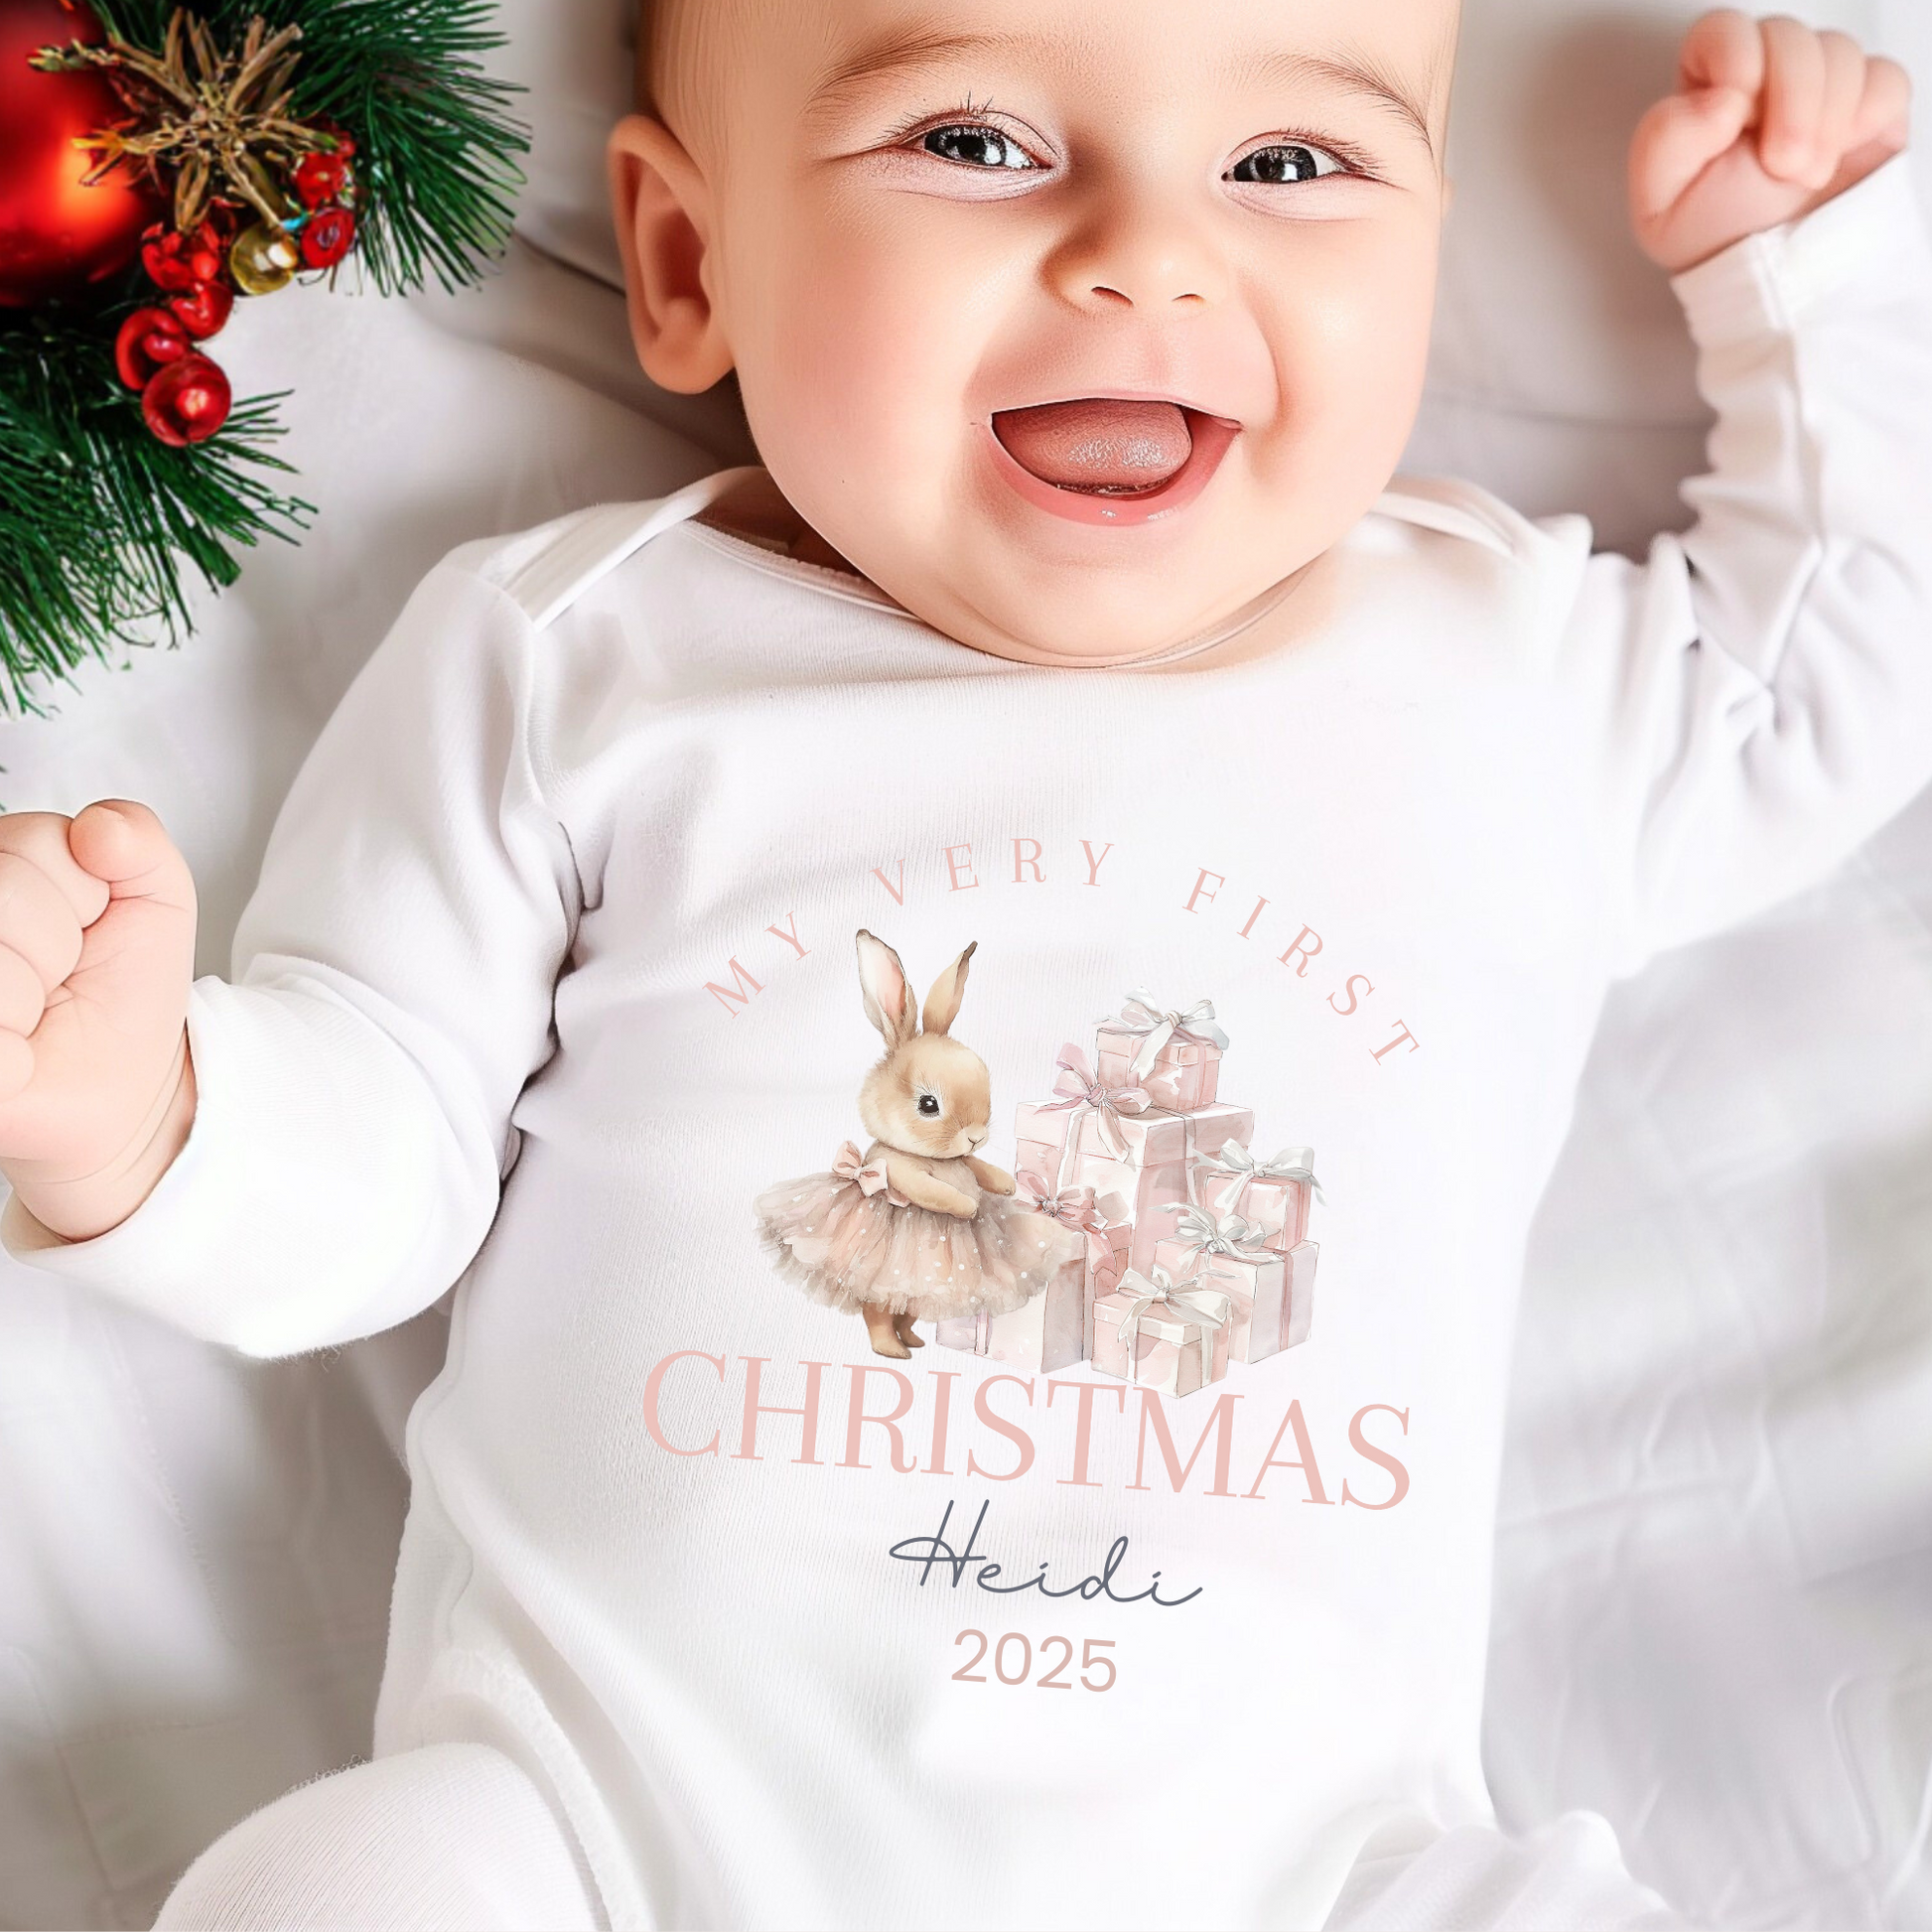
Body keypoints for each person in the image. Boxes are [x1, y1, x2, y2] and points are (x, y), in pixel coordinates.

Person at [0, 1, 1923, 1925]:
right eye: (974, 144)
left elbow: (1833, 677)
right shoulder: (588, 655)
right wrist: (143, 1113)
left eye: (1286, 163)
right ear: (686, 260)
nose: (1147, 254)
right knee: (343, 1883)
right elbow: (380, 1133)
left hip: (1311, 1875)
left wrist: (1813, 272)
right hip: (611, 1836)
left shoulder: (1496, 672)